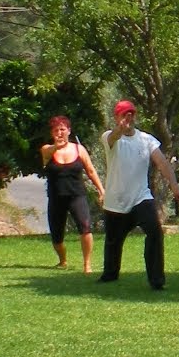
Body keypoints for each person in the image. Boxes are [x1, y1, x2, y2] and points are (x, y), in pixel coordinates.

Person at [97, 99, 179, 290]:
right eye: (124, 114)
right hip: (116, 200)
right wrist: (120, 129)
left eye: (131, 114)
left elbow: (162, 163)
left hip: (140, 198)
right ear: (116, 117)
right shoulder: (109, 138)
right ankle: (110, 274)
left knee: (154, 232)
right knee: (113, 241)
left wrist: (174, 185)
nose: (129, 117)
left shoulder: (147, 140)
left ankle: (157, 281)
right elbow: (113, 137)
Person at [40, 115, 105, 273]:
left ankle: (87, 264)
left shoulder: (79, 149)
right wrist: (56, 146)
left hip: (77, 195)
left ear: (69, 131)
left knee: (85, 228)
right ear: (52, 133)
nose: (60, 133)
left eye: (63, 129)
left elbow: (90, 170)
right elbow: (47, 152)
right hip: (56, 198)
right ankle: (62, 260)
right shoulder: (47, 149)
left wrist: (101, 189)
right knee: (57, 236)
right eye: (56, 130)